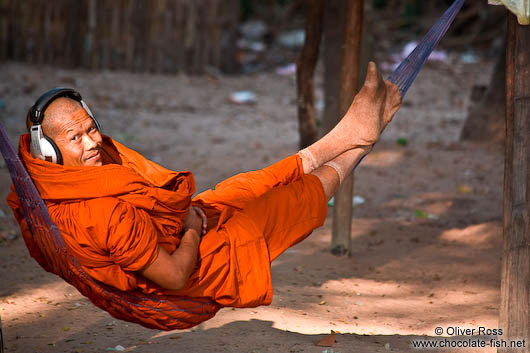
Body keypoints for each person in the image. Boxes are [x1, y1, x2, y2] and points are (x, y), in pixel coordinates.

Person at [7, 62, 401, 327]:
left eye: (91, 128)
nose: (92, 143)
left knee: (240, 189)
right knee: (273, 211)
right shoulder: (106, 217)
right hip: (179, 287)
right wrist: (193, 230)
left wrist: (185, 223)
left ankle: (345, 136)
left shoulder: (40, 179)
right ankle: (360, 144)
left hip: (162, 236)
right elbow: (176, 277)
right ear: (49, 151)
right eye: (75, 138)